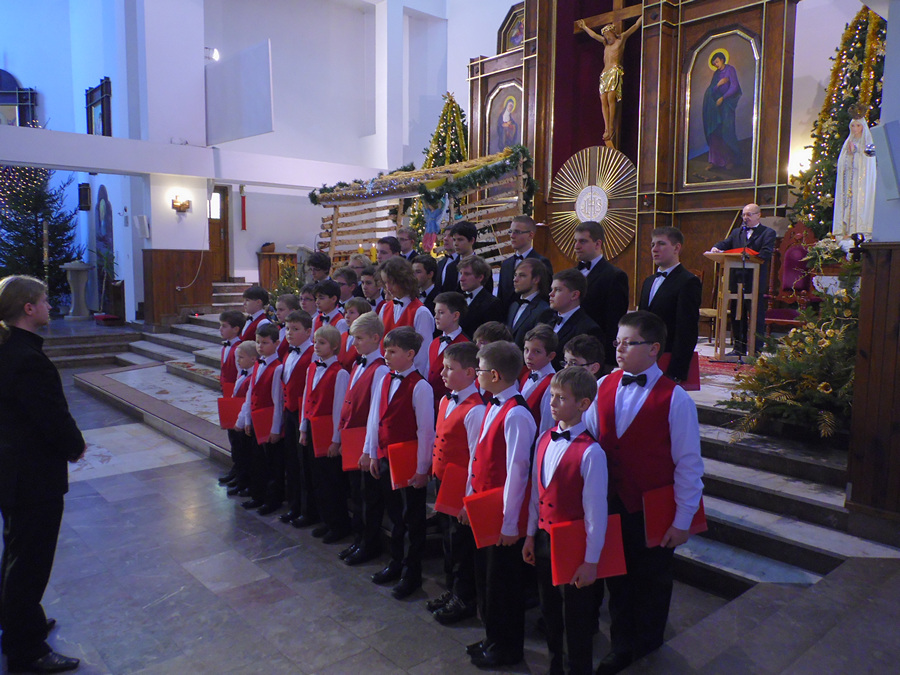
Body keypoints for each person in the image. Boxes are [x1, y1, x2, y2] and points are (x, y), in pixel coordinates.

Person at [584, 312, 704, 674]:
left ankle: (649, 651)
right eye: (617, 342)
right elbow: (590, 441)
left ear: (653, 349)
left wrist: (683, 520)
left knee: (652, 583)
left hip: (653, 507)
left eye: (628, 343)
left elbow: (688, 464)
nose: (618, 349)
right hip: (612, 502)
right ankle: (621, 647)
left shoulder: (675, 398)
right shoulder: (602, 385)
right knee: (618, 581)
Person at [0, 276, 84, 674]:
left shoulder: (10, 349)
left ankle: (21, 621)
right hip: (31, 475)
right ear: (28, 308)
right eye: (45, 300)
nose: (50, 306)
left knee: (18, 552)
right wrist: (75, 445)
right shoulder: (26, 359)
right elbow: (51, 416)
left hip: (14, 470)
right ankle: (26, 649)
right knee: (30, 562)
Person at [523, 367, 608, 675]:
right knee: (550, 613)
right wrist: (530, 535)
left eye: (561, 398)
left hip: (574, 545)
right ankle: (555, 668)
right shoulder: (544, 438)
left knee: (576, 618)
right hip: (544, 538)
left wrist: (591, 561)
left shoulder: (591, 452)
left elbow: (596, 513)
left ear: (583, 404)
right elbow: (536, 492)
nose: (552, 403)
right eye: (552, 396)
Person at [464, 341, 536, 668]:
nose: (476, 375)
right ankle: (492, 638)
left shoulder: (517, 414)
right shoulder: (494, 404)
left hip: (504, 514)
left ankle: (507, 648)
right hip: (486, 506)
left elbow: (517, 473)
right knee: (488, 580)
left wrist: (509, 525)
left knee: (504, 584)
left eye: (479, 370)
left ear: (494, 375)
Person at [363, 327, 435, 599]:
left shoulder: (421, 387)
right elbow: (375, 417)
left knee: (411, 519)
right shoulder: (385, 379)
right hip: (385, 458)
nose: (386, 355)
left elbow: (425, 431)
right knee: (394, 516)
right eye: (386, 350)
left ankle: (411, 573)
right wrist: (372, 452)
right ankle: (396, 562)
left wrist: (422, 469)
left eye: (392, 351)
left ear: (410, 354)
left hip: (408, 462)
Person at [427, 342, 485, 625]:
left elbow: (476, 457)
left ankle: (464, 597)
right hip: (443, 480)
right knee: (448, 540)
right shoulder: (445, 400)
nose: (442, 373)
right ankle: (452, 589)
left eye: (450, 368)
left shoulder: (475, 409)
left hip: (461, 485)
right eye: (443, 367)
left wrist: (468, 499)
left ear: (471, 372)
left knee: (461, 543)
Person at [338, 312, 389, 566]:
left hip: (367, 440)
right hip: (352, 435)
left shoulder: (380, 370)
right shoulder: (358, 364)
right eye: (353, 337)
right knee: (356, 494)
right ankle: (359, 539)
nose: (354, 343)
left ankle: (370, 543)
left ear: (376, 338)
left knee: (369, 496)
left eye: (359, 338)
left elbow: (375, 412)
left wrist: (369, 449)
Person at [299, 325, 351, 543]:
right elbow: (306, 398)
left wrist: (336, 441)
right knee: (317, 478)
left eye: (322, 343)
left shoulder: (340, 373)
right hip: (313, 429)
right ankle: (325, 520)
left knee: (331, 481)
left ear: (335, 346)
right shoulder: (312, 367)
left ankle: (338, 525)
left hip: (328, 433)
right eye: (315, 342)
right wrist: (303, 428)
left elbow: (340, 410)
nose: (317, 346)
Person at [708, 203, 776, 355]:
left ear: (758, 215)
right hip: (736, 280)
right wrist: (716, 247)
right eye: (744, 215)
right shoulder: (737, 232)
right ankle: (739, 348)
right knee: (737, 315)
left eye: (749, 214)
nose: (746, 217)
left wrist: (750, 256)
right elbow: (725, 244)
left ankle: (756, 350)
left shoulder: (768, 233)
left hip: (755, 280)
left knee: (756, 316)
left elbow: (766, 253)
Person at [638, 227, 701, 382]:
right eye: (652, 244)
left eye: (661, 244)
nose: (655, 249)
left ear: (676, 248)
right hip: (644, 359)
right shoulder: (649, 281)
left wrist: (676, 371)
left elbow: (687, 330)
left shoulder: (688, 281)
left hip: (668, 360)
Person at [237, 322, 285, 515]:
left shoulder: (278, 368)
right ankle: (258, 495)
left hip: (269, 421)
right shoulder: (258, 363)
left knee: (271, 463)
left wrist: (275, 429)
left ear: (276, 343)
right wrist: (247, 420)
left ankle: (272, 500)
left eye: (265, 343)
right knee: (257, 461)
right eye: (258, 342)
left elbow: (278, 401)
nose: (260, 346)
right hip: (256, 419)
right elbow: (251, 393)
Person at [577, 16, 642, 147]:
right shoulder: (605, 44)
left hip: (614, 70)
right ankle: (606, 127)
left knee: (611, 98)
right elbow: (594, 36)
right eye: (605, 36)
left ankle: (611, 127)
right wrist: (584, 27)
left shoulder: (621, 39)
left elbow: (635, 26)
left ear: (613, 33)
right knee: (603, 100)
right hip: (604, 74)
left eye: (608, 34)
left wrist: (643, 15)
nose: (607, 37)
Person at [277, 311, 315, 527]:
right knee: (291, 460)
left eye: (295, 329)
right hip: (289, 412)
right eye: (287, 329)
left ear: (308, 331)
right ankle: (294, 506)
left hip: (304, 415)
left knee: (304, 465)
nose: (289, 333)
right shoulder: (288, 353)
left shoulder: (313, 355)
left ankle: (307, 510)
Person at [572, 221, 628, 369]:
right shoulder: (571, 275)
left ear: (597, 244)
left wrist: (608, 361)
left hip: (596, 355)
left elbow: (614, 323)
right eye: (575, 241)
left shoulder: (614, 276)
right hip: (570, 350)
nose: (576, 246)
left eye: (583, 241)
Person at [539, 269, 603, 370]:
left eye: (557, 290)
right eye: (551, 289)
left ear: (574, 295)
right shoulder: (546, 319)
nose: (551, 294)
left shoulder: (588, 329)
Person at [497, 216, 553, 314]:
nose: (512, 236)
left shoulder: (541, 262)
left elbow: (545, 294)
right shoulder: (506, 264)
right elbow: (501, 297)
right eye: (510, 231)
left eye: (517, 232)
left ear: (530, 235)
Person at [833, 114, 876, 240]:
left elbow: (867, 162)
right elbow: (842, 163)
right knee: (848, 205)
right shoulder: (848, 143)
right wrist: (849, 154)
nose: (855, 128)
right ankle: (847, 230)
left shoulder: (867, 144)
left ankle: (859, 230)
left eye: (858, 125)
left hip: (861, 183)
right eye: (852, 125)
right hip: (849, 182)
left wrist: (856, 153)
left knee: (858, 205)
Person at [217, 309, 246, 486]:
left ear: (236, 329)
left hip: (237, 398)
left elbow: (242, 375)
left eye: (224, 326)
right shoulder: (225, 347)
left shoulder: (239, 350)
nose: (221, 329)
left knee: (239, 439)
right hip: (227, 396)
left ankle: (241, 474)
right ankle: (235, 469)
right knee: (232, 437)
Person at [427, 292, 469, 410]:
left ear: (455, 316)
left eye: (441, 313)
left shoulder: (465, 345)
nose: (436, 317)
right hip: (430, 404)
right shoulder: (434, 343)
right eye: (435, 312)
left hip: (452, 404)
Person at [702, 51, 742, 171]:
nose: (716, 65)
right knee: (715, 132)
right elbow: (712, 90)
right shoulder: (716, 74)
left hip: (727, 105)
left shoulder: (730, 70)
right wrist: (718, 85)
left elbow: (734, 86)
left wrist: (723, 98)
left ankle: (730, 160)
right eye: (714, 63)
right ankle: (715, 161)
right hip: (717, 107)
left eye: (717, 62)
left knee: (727, 130)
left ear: (722, 59)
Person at [506, 257, 551, 348]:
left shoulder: (544, 310)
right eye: (515, 275)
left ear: (536, 279)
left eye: (522, 275)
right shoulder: (514, 305)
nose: (515, 279)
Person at [520, 325, 557, 434]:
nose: (528, 356)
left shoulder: (551, 384)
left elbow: (547, 426)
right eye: (526, 350)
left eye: (536, 352)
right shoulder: (526, 375)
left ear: (551, 356)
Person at [458, 255, 502, 339]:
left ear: (480, 277)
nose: (461, 278)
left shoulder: (492, 303)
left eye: (467, 274)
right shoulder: (457, 299)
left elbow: (491, 337)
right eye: (461, 273)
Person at [274, 294, 300, 361]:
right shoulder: (277, 328)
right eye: (276, 309)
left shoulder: (297, 331)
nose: (277, 313)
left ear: (293, 311)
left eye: (281, 310)